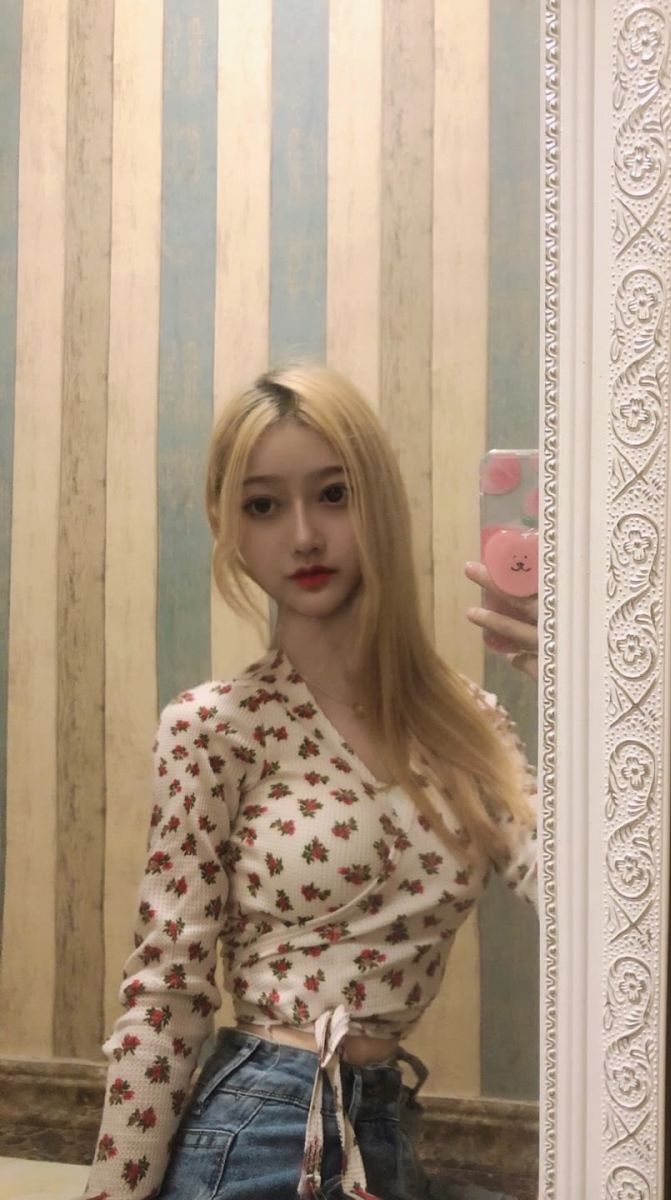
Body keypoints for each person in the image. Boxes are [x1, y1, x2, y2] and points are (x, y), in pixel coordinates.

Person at [82, 363, 539, 1200]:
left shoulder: (466, 725)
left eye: (334, 495)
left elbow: (593, 903)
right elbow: (166, 994)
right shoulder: (214, 726)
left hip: (381, 1134)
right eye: (263, 505)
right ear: (229, 526)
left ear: (378, 502)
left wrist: (575, 677)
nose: (302, 536)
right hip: (254, 1134)